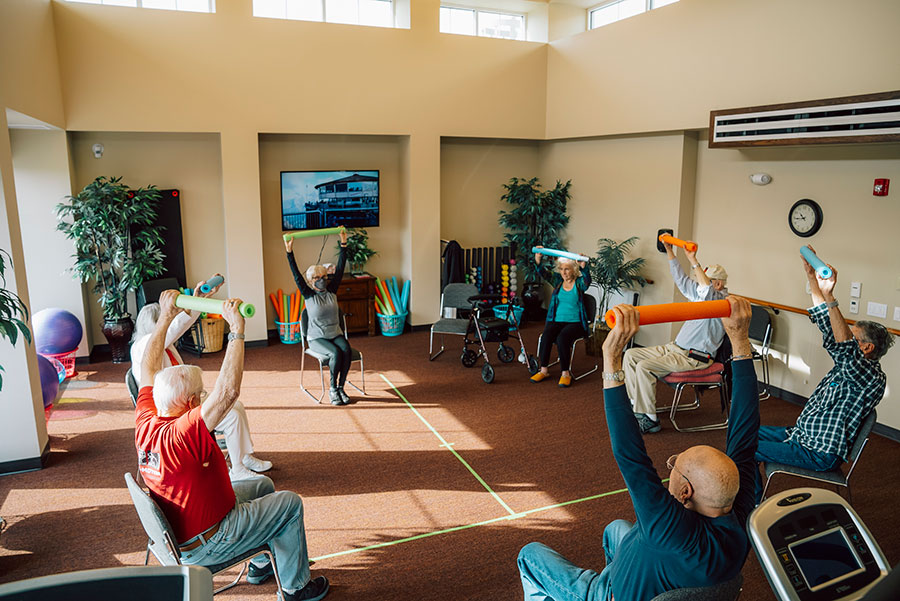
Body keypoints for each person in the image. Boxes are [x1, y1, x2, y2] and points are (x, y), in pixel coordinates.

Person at [517, 296, 760, 601]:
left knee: (530, 554)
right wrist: (739, 340)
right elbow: (746, 434)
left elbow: (630, 454)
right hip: (666, 572)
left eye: (676, 466)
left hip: (608, 595)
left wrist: (612, 360)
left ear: (686, 493)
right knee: (616, 529)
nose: (670, 465)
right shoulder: (739, 512)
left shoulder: (671, 528)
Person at [134, 290, 329, 601]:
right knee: (290, 503)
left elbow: (146, 368)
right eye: (200, 396)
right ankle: (296, 589)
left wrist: (165, 318)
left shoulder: (146, 421)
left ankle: (262, 563)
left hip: (186, 529)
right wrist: (236, 331)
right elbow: (227, 392)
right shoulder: (184, 433)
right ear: (192, 401)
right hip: (211, 540)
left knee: (262, 484)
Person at [754, 248, 893, 501]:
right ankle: (747, 494)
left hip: (818, 452)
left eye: (854, 337)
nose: (848, 339)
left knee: (746, 448)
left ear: (867, 347)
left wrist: (830, 297)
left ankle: (750, 503)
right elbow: (827, 323)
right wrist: (812, 280)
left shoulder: (870, 378)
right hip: (800, 435)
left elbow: (843, 346)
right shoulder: (849, 363)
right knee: (744, 433)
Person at [130, 276, 272, 481]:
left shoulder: (163, 343)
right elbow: (172, 328)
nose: (168, 321)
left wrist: (198, 299)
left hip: (182, 396)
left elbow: (176, 327)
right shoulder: (143, 346)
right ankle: (238, 469)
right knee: (231, 414)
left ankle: (244, 455)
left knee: (236, 406)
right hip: (172, 406)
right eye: (162, 319)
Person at [623, 240, 728, 433]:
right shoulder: (700, 296)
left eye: (704, 279)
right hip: (675, 348)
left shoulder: (721, 302)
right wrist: (670, 251)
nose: (698, 283)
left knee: (644, 367)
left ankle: (650, 420)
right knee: (630, 355)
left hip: (693, 357)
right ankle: (636, 407)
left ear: (718, 284)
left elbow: (706, 290)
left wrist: (693, 259)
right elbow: (681, 279)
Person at [285, 228, 356, 406]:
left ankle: (341, 387)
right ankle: (332, 389)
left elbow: (340, 267)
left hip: (335, 333)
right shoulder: (308, 294)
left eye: (323, 276)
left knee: (346, 350)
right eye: (316, 277)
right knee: (334, 354)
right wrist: (289, 251)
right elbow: (295, 273)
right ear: (310, 280)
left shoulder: (332, 290)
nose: (321, 279)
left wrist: (344, 243)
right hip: (317, 337)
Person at [529, 248, 592, 388]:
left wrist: (584, 266)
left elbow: (587, 280)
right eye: (562, 269)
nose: (564, 272)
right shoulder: (558, 281)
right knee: (546, 336)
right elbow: (543, 273)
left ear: (573, 270)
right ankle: (544, 370)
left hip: (575, 323)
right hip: (557, 321)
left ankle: (565, 374)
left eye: (567, 269)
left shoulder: (579, 283)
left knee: (562, 338)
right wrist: (538, 259)